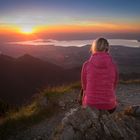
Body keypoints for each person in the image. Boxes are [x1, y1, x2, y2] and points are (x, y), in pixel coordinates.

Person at [80, 38, 119, 113]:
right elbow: (114, 85)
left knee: (82, 91)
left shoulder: (86, 65)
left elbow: (84, 87)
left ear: (94, 48)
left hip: (90, 104)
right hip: (109, 106)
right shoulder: (113, 66)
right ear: (107, 48)